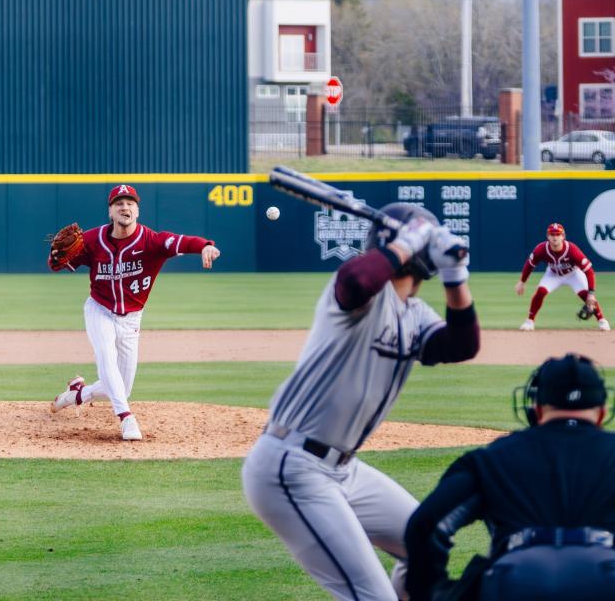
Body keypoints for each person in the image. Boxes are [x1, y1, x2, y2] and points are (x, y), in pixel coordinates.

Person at [242, 203, 479, 601]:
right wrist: (409, 241)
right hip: (292, 467)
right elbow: (355, 278)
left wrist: (456, 276)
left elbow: (462, 345)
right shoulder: (359, 298)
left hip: (344, 470)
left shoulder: (415, 314)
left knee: (429, 541)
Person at [405, 353, 615, 601]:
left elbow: (426, 524)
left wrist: (433, 593)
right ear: (601, 413)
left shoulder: (492, 456)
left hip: (515, 582)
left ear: (536, 409)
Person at [48, 184, 220, 440]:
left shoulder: (152, 241)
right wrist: (54, 259)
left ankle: (76, 394)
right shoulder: (93, 241)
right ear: (110, 211)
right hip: (100, 310)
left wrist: (205, 245)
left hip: (131, 320)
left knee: (119, 388)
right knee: (106, 357)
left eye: (130, 203)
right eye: (119, 203)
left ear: (138, 211)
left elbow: (183, 242)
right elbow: (58, 263)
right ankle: (127, 419)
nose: (124, 207)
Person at [516, 222, 608, 331]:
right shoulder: (541, 249)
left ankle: (602, 320)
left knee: (585, 295)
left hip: (573, 274)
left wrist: (591, 293)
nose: (555, 237)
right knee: (541, 292)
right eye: (552, 234)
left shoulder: (572, 250)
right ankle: (529, 321)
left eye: (558, 234)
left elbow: (589, 271)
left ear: (563, 236)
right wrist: (522, 282)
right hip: (553, 273)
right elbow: (529, 265)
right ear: (548, 236)